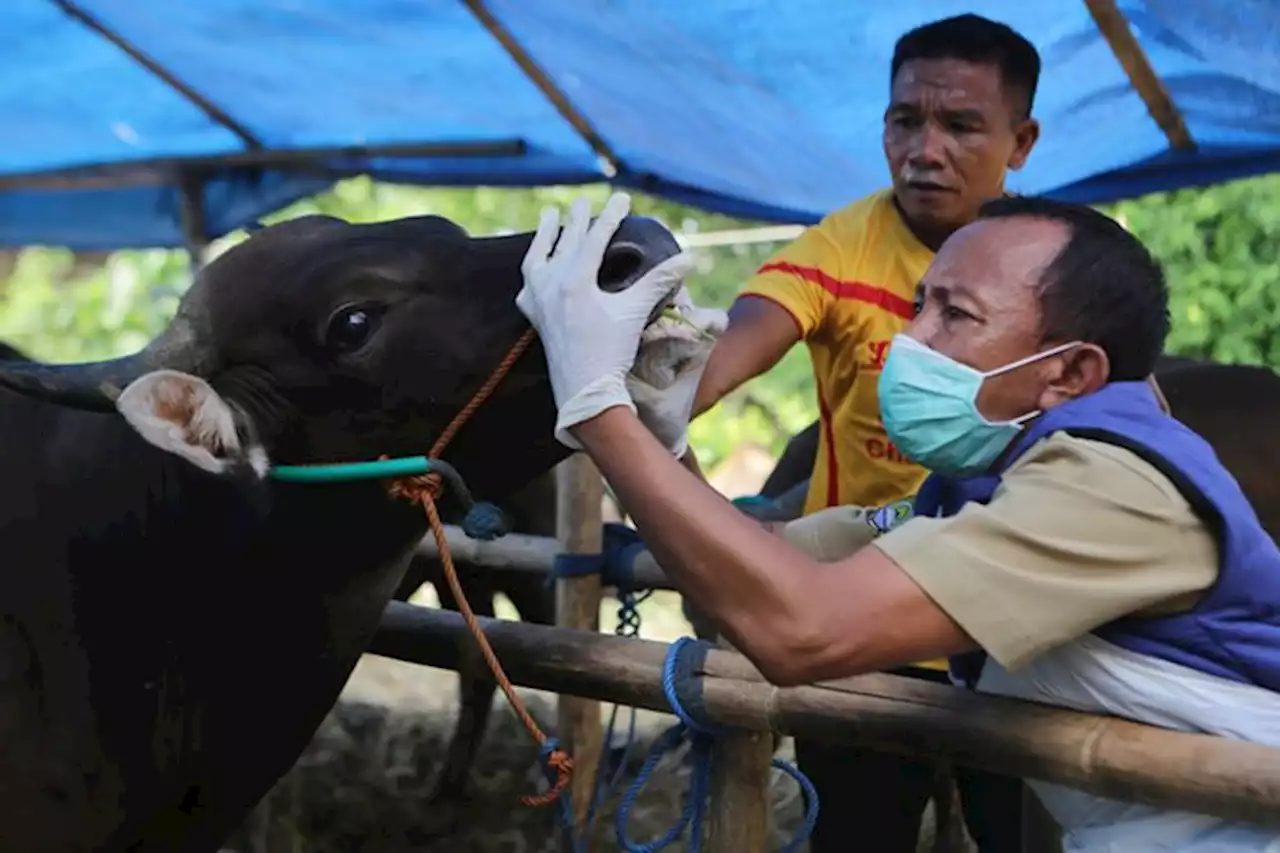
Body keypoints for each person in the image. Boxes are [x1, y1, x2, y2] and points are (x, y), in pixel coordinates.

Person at [515, 191, 1280, 852]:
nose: (909, 339)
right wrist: (662, 434)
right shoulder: (987, 486)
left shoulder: (1111, 485)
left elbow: (803, 629)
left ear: (1070, 374)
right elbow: (758, 570)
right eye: (921, 303)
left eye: (957, 313)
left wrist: (597, 406)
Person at [681, 13, 1043, 850]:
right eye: (905, 120)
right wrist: (652, 389)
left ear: (1020, 140)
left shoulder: (1059, 261)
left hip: (1019, 632)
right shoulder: (841, 246)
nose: (926, 148)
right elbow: (730, 353)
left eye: (960, 125)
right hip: (863, 631)